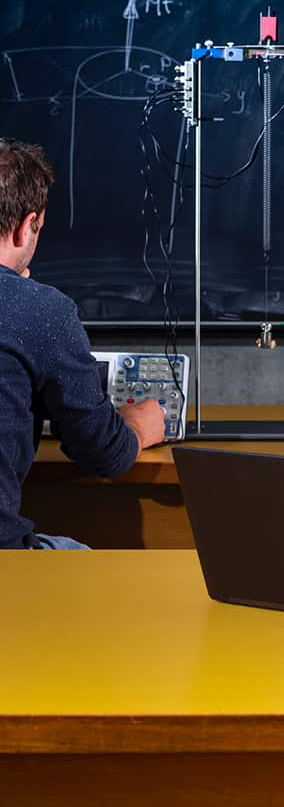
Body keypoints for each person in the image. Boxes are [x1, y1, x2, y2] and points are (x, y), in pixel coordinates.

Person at [0, 137, 165, 549]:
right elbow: (102, 453)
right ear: (26, 226)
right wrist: (138, 429)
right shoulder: (40, 310)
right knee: (96, 570)